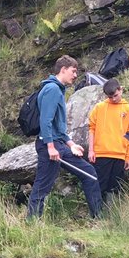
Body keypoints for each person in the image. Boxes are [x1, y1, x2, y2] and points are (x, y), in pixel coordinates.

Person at [27, 55, 102, 219]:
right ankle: (98, 218)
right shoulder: (52, 90)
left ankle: (32, 221)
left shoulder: (56, 89)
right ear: (63, 69)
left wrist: (71, 144)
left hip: (56, 143)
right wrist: (51, 147)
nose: (75, 75)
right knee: (88, 174)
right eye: (73, 71)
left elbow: (57, 127)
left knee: (43, 185)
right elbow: (45, 121)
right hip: (51, 145)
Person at [87, 78, 129, 203]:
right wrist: (91, 150)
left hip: (120, 155)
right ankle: (97, 213)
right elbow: (91, 128)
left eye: (115, 95)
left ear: (121, 90)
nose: (113, 99)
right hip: (101, 153)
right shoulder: (99, 107)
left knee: (115, 187)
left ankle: (111, 215)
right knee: (99, 184)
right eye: (110, 97)